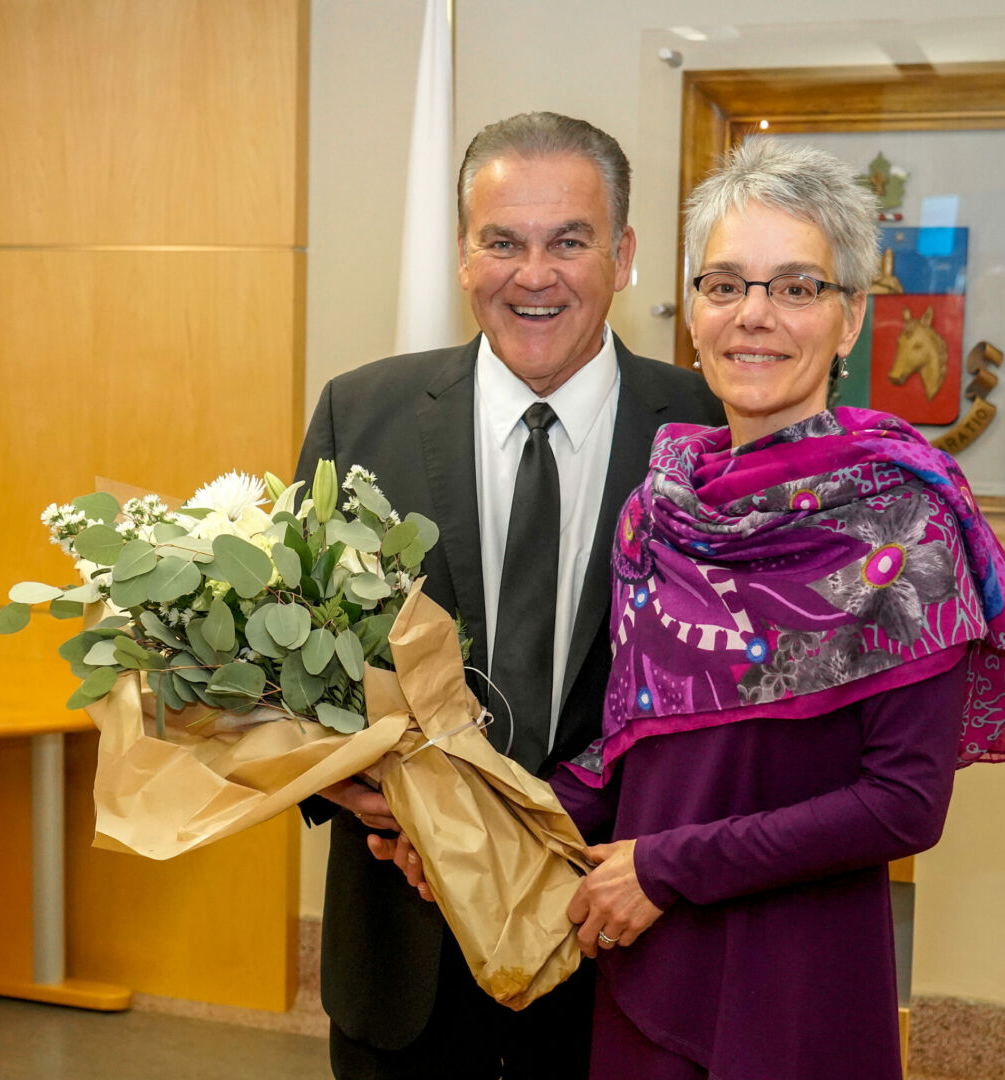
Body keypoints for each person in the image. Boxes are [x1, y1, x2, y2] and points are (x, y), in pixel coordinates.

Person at [549, 139, 1005, 1080]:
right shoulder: (658, 508)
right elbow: (633, 743)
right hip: (644, 974)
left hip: (796, 988)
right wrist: (472, 815)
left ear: (851, 317)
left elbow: (903, 804)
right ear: (693, 315)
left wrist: (665, 868)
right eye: (726, 285)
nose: (755, 317)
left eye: (796, 288)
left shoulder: (905, 518)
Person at [295, 112, 724, 1080]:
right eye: (503, 241)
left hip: (622, 956)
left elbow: (734, 715)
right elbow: (300, 682)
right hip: (405, 953)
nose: (534, 275)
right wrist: (371, 803)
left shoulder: (708, 432)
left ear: (623, 255)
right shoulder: (358, 414)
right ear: (462, 254)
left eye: (569, 241)